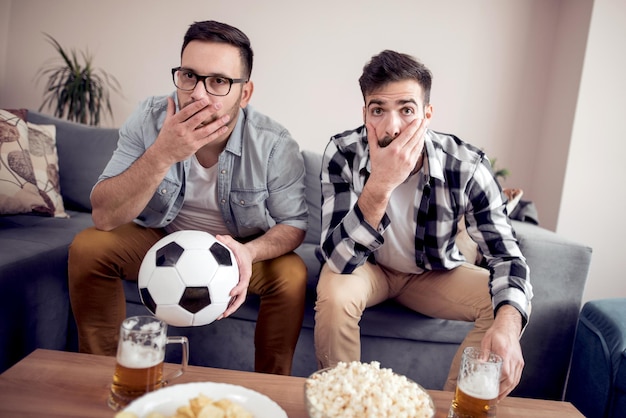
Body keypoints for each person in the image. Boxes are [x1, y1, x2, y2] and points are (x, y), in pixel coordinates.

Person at [68, 20, 308, 376]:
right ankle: (102, 375)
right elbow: (103, 216)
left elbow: (294, 225)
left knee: (291, 275)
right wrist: (162, 153)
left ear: (245, 93)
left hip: (238, 249)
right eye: (189, 76)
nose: (197, 94)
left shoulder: (274, 143)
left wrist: (249, 251)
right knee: (88, 247)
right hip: (160, 237)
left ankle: (271, 390)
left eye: (218, 81)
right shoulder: (149, 119)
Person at [314, 50, 533, 399]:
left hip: (432, 274)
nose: (392, 126)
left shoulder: (466, 165)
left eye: (407, 109)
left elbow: (508, 258)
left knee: (503, 306)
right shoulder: (343, 152)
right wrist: (380, 184)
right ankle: (343, 403)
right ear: (365, 114)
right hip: (368, 270)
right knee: (334, 292)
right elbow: (338, 261)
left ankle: (453, 405)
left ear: (427, 114)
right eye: (378, 110)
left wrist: (509, 325)